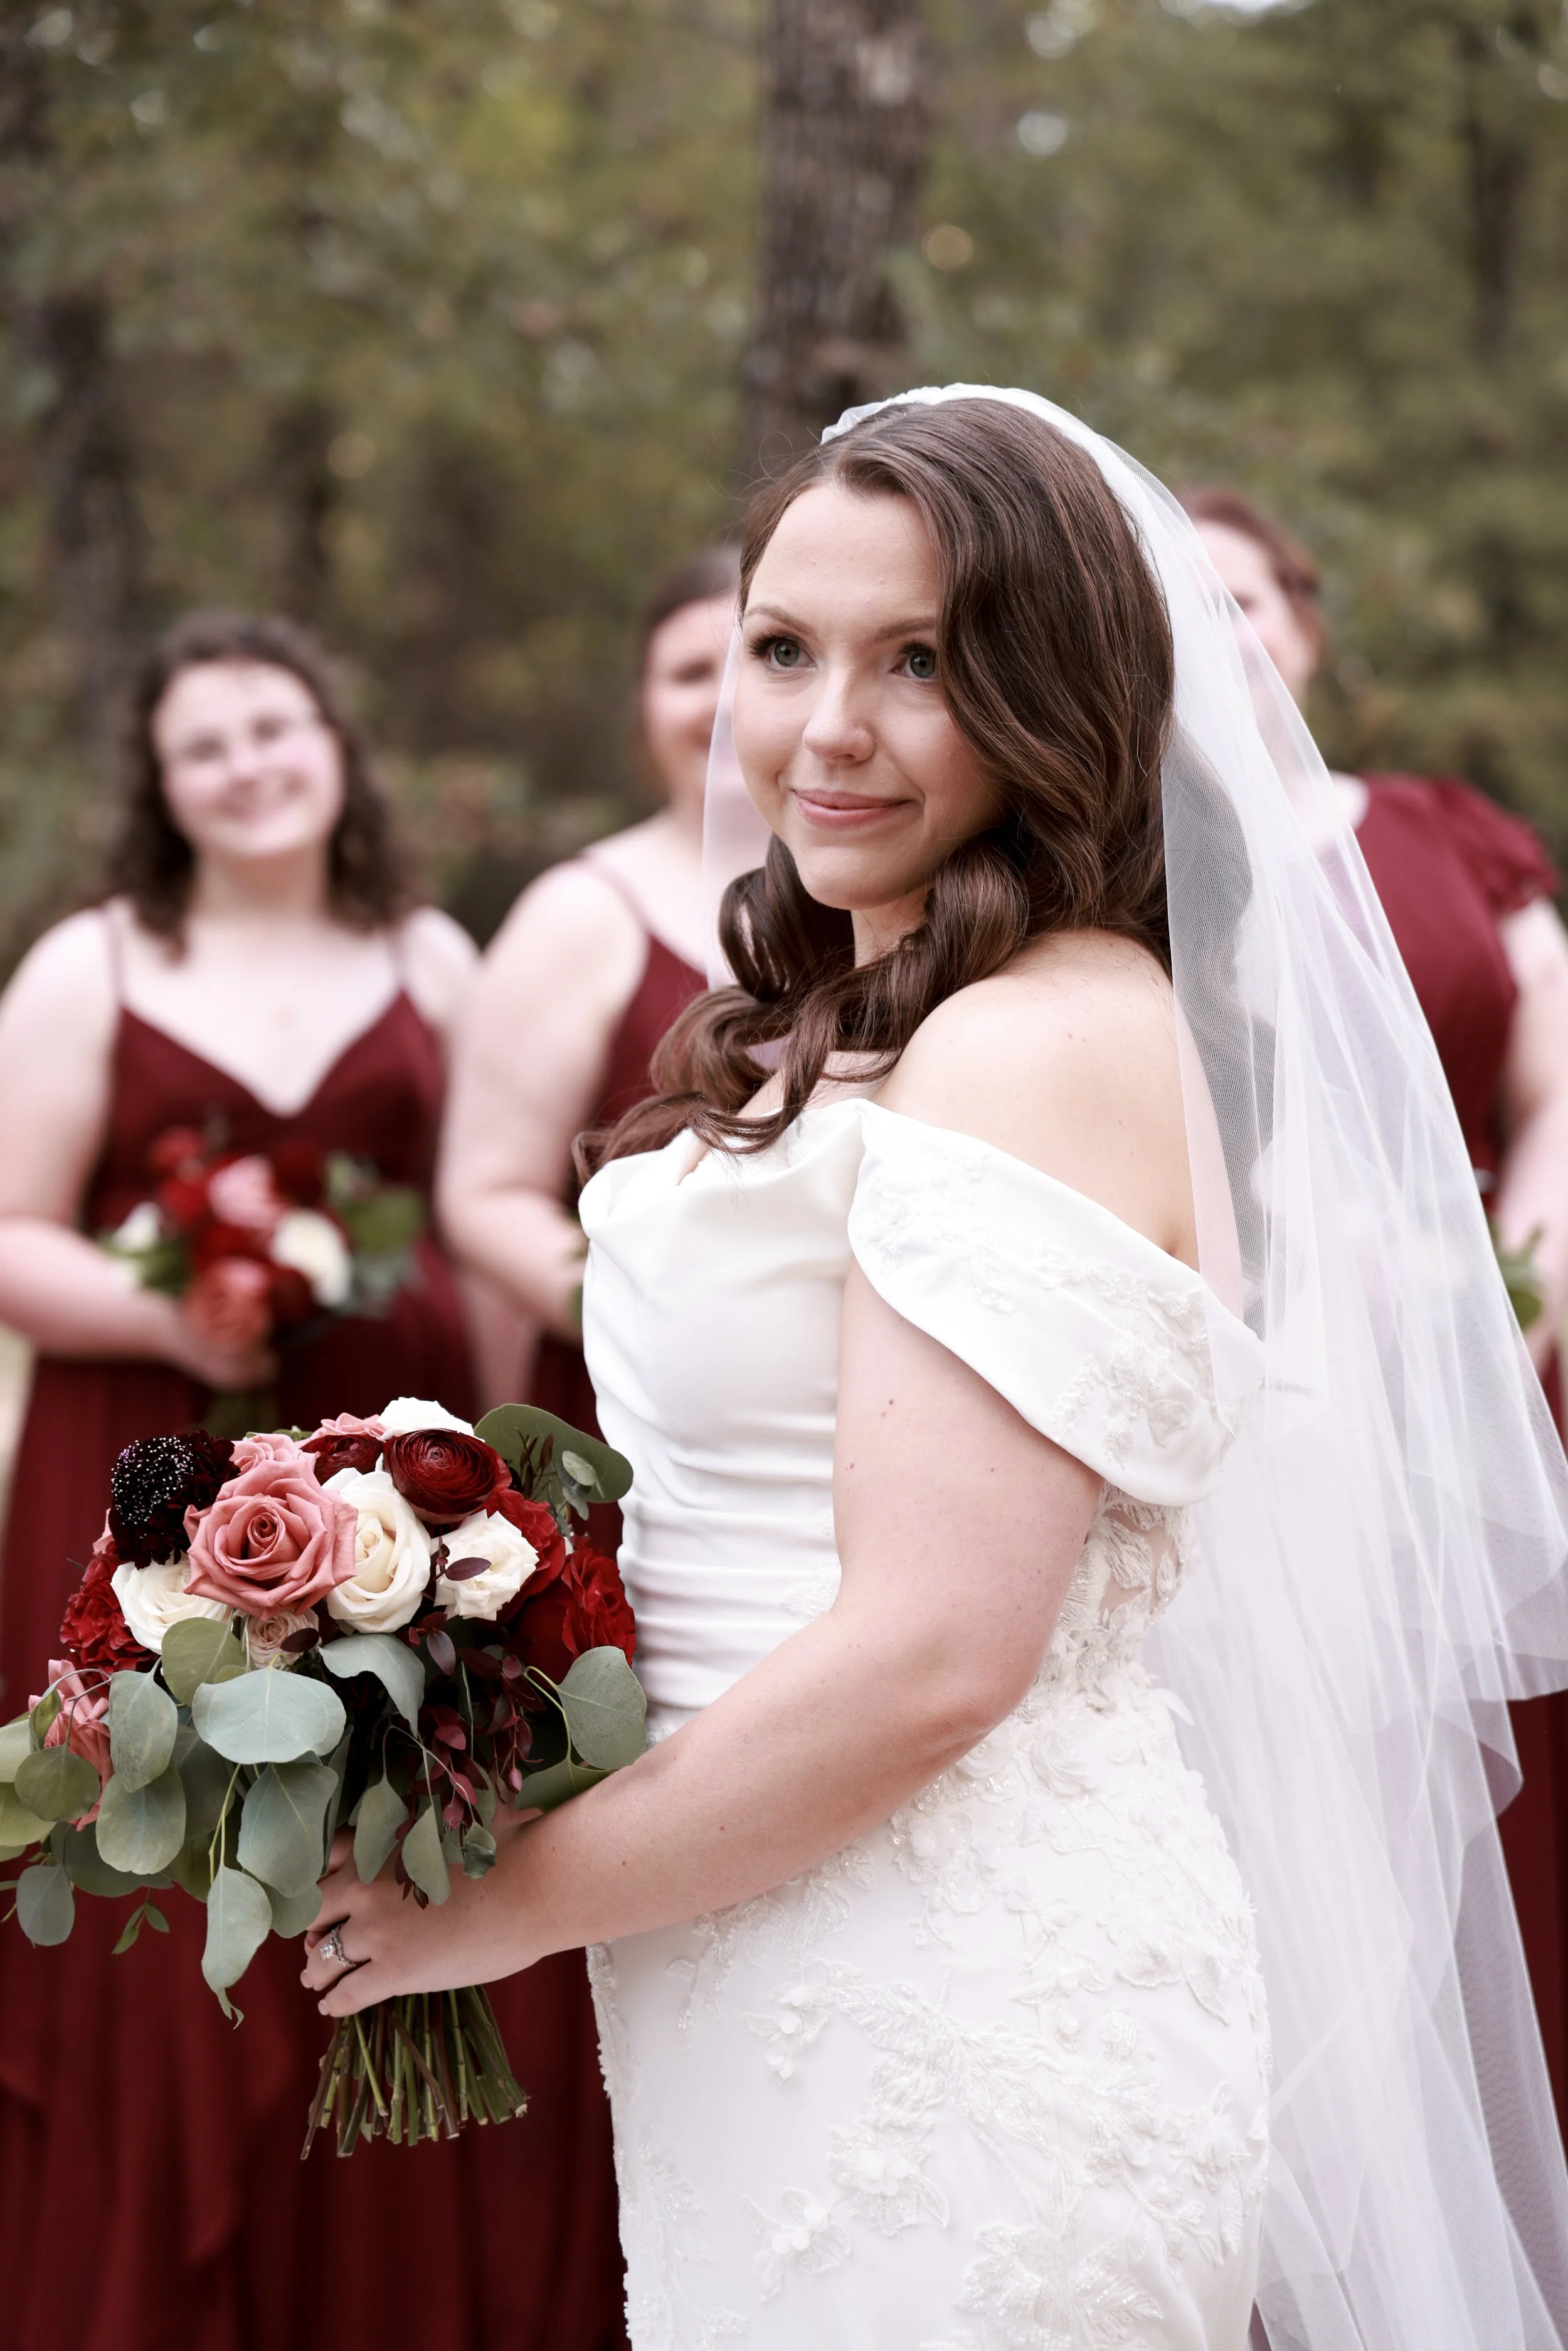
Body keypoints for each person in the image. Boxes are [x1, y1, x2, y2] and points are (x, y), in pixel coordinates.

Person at [304, 390, 1568, 2351]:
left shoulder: (1036, 1039)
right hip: (766, 1940)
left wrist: (508, 1901)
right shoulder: (879, 1005)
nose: (829, 727)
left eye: (923, 664)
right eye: (784, 646)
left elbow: (934, 1651)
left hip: (947, 1996)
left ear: (1055, 690)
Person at [0, 612, 622, 2351]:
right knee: (169, 1840)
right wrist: (175, 1311)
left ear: (334, 744)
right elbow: (8, 1229)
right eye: (206, 744)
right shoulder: (93, 963)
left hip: (380, 1452)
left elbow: (488, 1216)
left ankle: (383, 2276)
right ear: (161, 785)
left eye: (275, 726)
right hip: (139, 1465)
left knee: (385, 1818)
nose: (249, 763)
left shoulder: (430, 953)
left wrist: (495, 1485)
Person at [1187, 484, 1568, 2130]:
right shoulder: (1122, 860)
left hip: (1482, 1363)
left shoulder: (1443, 832)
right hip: (1241, 1394)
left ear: (1303, 629)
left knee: (1496, 1797)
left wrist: (1513, 1273)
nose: (1216, 637)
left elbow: (1556, 1091)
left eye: (1243, 604)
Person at [438, 546, 736, 1551]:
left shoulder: (903, 904)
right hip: (629, 1413)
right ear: (643, 707)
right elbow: (486, 1196)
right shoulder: (580, 913)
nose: (727, 696)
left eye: (768, 656)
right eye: (692, 672)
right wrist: (644, 1315)